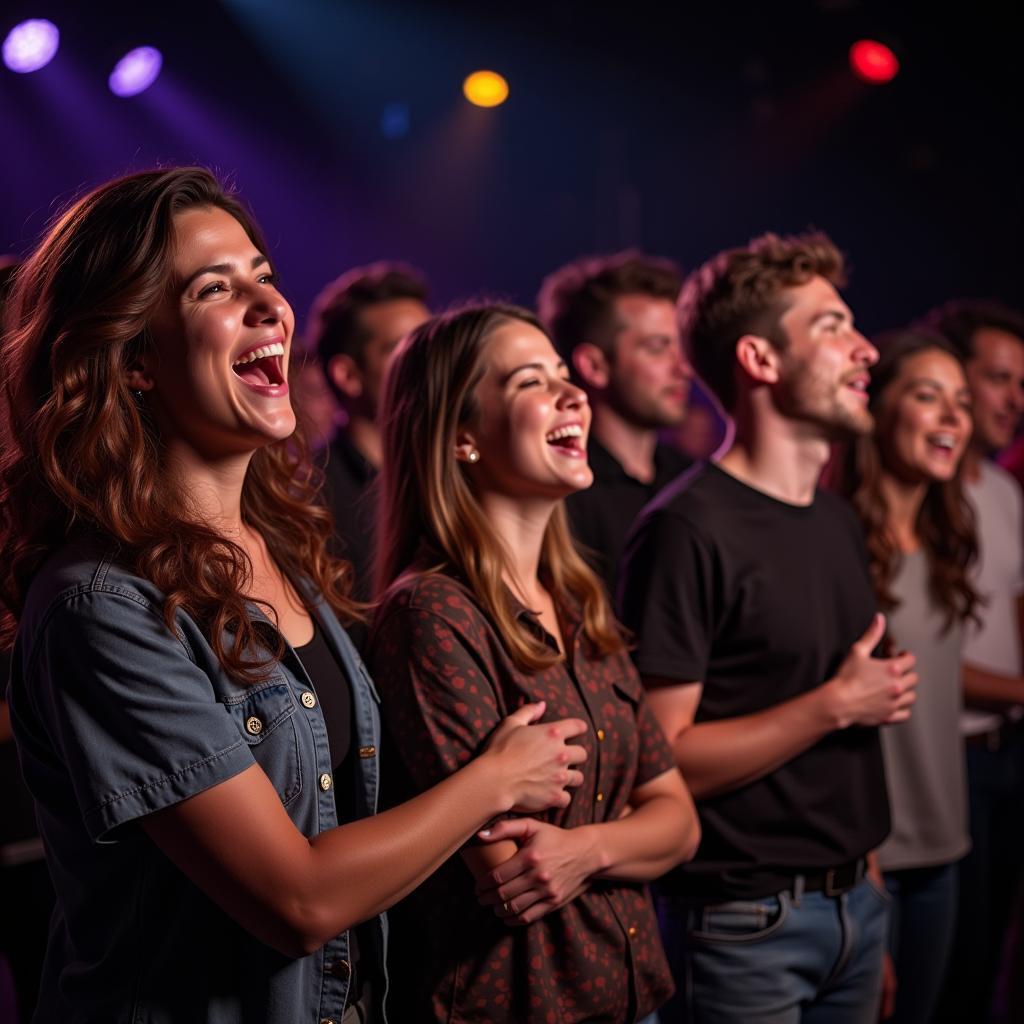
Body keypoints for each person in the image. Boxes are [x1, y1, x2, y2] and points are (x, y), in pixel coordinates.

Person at [0, 168, 589, 1023]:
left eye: (263, 278)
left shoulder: (280, 556)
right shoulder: (100, 604)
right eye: (214, 288)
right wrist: (493, 783)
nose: (269, 306)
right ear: (131, 360)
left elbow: (351, 820)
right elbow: (298, 900)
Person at [367, 303, 700, 1023]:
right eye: (530, 382)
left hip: (633, 995)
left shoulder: (579, 603)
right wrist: (623, 841)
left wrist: (584, 850)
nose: (572, 392)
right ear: (461, 437)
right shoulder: (433, 613)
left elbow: (680, 821)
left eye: (563, 374)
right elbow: (512, 873)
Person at [619, 231, 918, 1024]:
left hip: (853, 907)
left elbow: (851, 762)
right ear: (760, 359)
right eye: (832, 327)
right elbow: (664, 757)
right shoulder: (686, 527)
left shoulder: (836, 520)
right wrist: (835, 704)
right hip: (744, 927)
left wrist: (869, 909)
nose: (865, 353)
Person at [830, 329, 977, 1023]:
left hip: (944, 848)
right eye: (928, 396)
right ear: (878, 411)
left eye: (962, 401)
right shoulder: (842, 545)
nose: (953, 417)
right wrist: (869, 880)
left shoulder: (949, 540)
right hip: (871, 861)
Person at [922, 300, 1024, 1024]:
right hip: (945, 752)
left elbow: (1010, 616)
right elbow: (924, 655)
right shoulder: (924, 489)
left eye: (1021, 383)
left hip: (1007, 745)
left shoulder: (1005, 490)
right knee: (947, 964)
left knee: (990, 951)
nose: (1015, 400)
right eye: (998, 379)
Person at [537, 252, 697, 591]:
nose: (682, 368)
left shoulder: (692, 480)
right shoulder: (561, 496)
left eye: (680, 347)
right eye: (657, 348)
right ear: (594, 366)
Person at [308, 262, 430, 600]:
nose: (429, 365)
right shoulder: (312, 501)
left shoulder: (450, 472)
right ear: (348, 375)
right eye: (404, 350)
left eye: (431, 346)